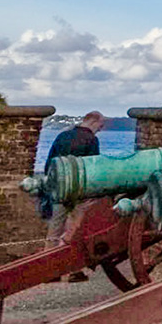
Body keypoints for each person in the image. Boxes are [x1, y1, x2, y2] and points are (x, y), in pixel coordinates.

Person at [41, 111, 106, 276]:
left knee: (54, 229)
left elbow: (49, 163)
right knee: (76, 229)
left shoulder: (62, 136)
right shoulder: (91, 140)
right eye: (101, 125)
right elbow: (93, 168)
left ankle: (48, 270)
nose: (101, 129)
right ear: (93, 122)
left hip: (60, 188)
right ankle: (74, 271)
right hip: (79, 191)